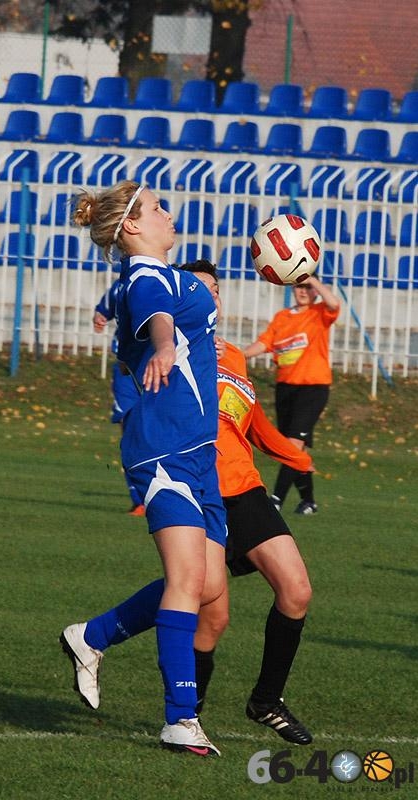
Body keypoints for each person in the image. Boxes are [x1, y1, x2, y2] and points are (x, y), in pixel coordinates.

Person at [61, 259, 314, 747]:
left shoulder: (234, 358)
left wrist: (293, 455)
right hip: (197, 484)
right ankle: (183, 714)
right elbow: (142, 324)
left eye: (215, 289)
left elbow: (249, 423)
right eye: (200, 290)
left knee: (293, 590)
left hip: (244, 491)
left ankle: (264, 701)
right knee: (206, 604)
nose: (211, 296)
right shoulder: (179, 351)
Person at [61, 183, 228, 757]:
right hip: (164, 451)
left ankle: (93, 635)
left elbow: (180, 316)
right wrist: (161, 344)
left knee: (207, 588)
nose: (168, 213)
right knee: (187, 583)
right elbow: (157, 317)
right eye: (157, 207)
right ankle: (180, 720)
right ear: (131, 227)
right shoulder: (144, 277)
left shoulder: (172, 274)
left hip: (198, 452)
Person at [244, 275, 340, 515]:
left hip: (313, 388)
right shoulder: (282, 317)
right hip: (286, 389)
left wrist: (311, 277)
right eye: (300, 286)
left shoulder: (319, 313)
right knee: (296, 450)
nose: (304, 290)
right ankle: (308, 501)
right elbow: (264, 344)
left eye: (308, 287)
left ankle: (275, 500)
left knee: (291, 445)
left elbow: (334, 303)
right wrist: (236, 354)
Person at [93, 279, 145, 516]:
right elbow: (104, 309)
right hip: (126, 369)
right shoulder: (122, 285)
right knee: (129, 429)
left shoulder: (167, 283)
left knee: (157, 431)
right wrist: (100, 317)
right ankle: (139, 499)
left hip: (157, 366)